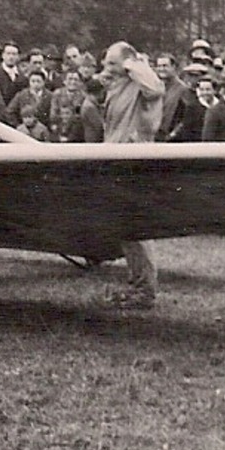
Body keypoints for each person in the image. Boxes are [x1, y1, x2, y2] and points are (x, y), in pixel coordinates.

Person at [98, 41, 164, 310]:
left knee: (135, 225)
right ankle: (138, 282)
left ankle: (145, 288)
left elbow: (156, 88)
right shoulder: (121, 85)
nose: (106, 69)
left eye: (112, 63)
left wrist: (131, 63)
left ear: (128, 63)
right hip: (117, 159)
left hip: (134, 161)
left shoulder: (142, 81)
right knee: (126, 226)